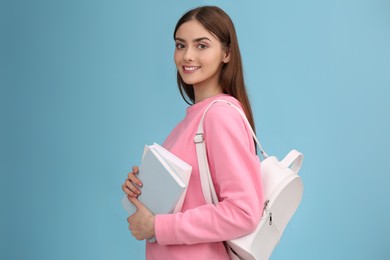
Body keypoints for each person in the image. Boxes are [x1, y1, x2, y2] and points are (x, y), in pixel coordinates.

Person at [122, 5, 264, 259]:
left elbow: (243, 212)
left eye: (201, 45)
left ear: (226, 53)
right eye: (180, 45)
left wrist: (157, 226)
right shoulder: (193, 120)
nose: (187, 56)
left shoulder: (220, 116)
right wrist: (143, 189)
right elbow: (188, 199)